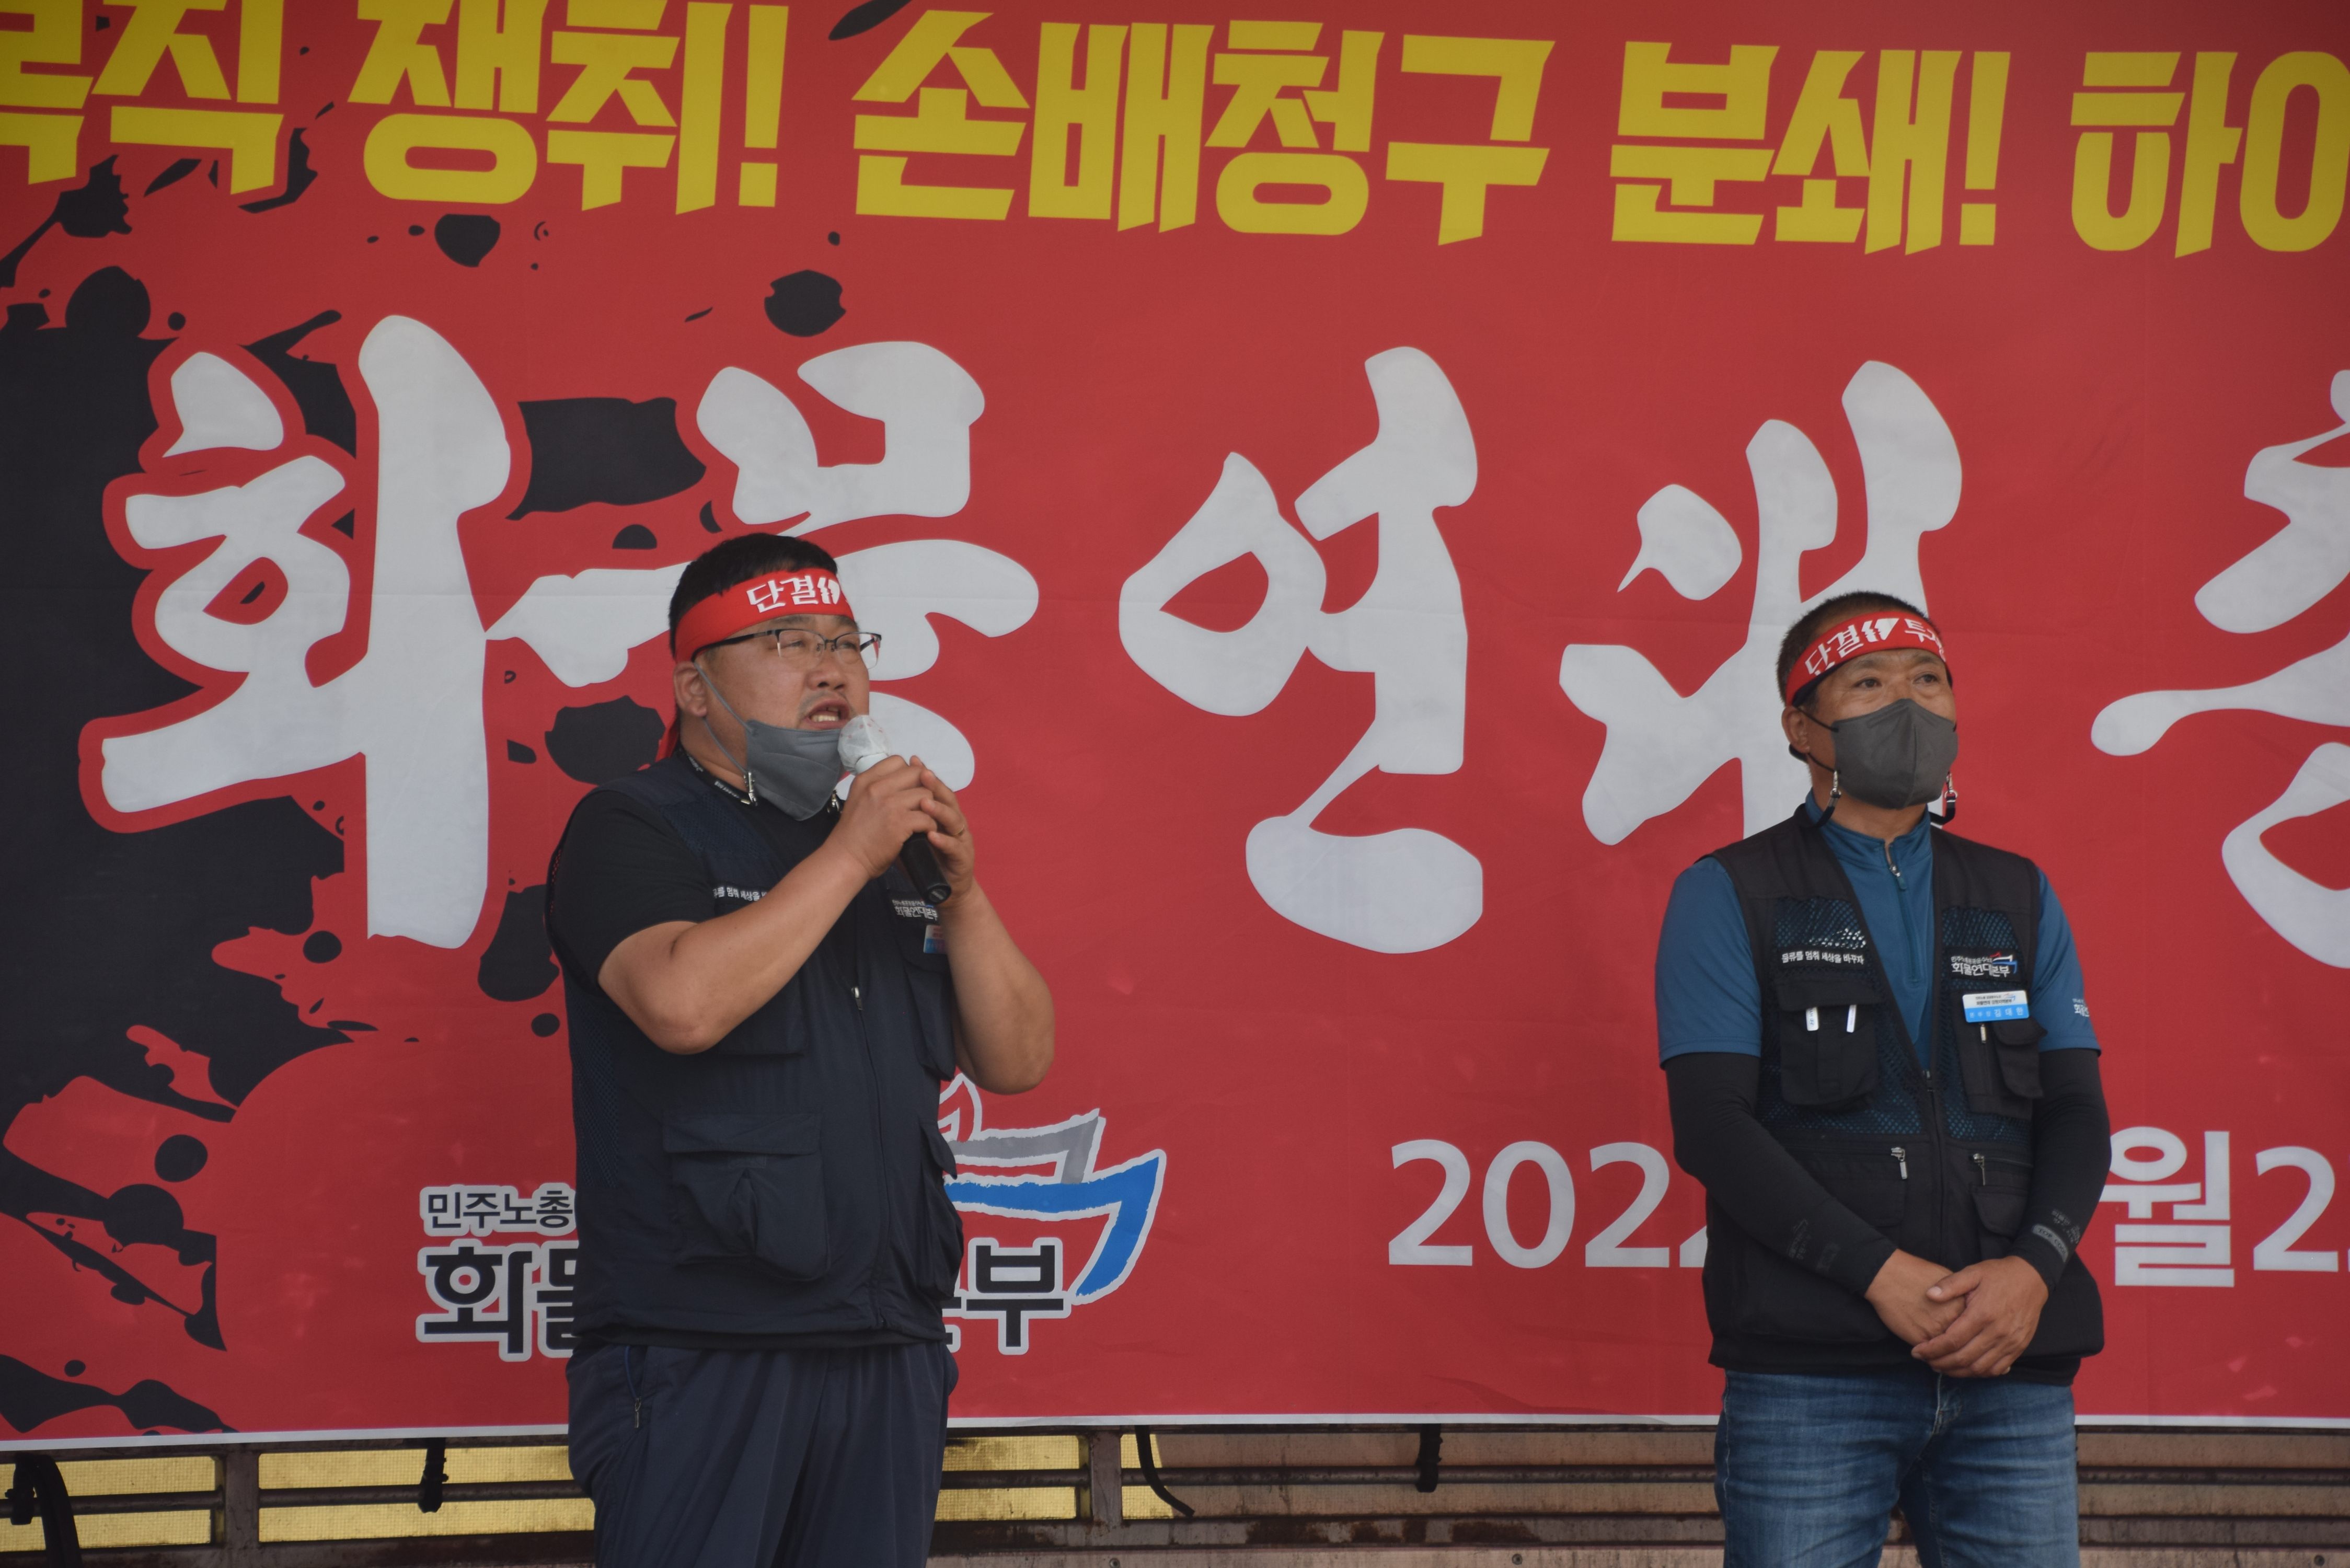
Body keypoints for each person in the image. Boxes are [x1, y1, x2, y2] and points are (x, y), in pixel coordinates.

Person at [546, 533, 1054, 1568]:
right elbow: (681, 1005)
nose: (831, 669)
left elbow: (1018, 1059)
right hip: (703, 1342)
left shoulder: (889, 847)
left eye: (846, 643)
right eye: (786, 642)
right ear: (695, 687)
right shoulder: (633, 825)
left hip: (888, 1337)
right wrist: (852, 855)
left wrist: (961, 893)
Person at [1655, 591, 2111, 1566]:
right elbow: (1713, 1125)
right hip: (1812, 1374)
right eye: (1868, 683)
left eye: (1928, 679)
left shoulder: (2018, 894)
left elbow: (2076, 1111)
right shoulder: (1730, 891)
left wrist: (2033, 1270)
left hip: (2009, 1365)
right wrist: (1879, 1275)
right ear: (1802, 730)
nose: (1908, 703)